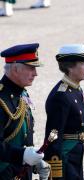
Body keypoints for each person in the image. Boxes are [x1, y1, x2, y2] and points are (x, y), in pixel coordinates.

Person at [44, 44, 84, 179]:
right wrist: (55, 171)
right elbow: (53, 135)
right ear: (70, 66)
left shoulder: (75, 88)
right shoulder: (61, 95)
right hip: (65, 155)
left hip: (75, 152)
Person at [0, 43, 49, 180]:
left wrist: (34, 161)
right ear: (15, 69)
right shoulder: (1, 99)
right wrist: (22, 155)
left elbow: (24, 137)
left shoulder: (22, 95)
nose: (36, 74)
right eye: (31, 68)